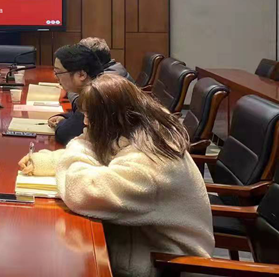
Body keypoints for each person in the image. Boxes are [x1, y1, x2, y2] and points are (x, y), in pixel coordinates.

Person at [18, 75, 213, 277]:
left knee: (58, 256)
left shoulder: (149, 163)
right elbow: (104, 157)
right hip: (140, 240)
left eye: (90, 117)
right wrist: (49, 161)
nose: (85, 122)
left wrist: (81, 142)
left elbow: (84, 191)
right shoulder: (140, 130)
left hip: (169, 265)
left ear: (111, 119)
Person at [48, 44, 103, 145]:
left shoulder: (97, 96)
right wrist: (65, 117)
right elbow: (79, 116)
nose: (56, 77)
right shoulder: (100, 85)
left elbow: (65, 134)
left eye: (58, 72)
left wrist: (61, 123)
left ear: (81, 75)